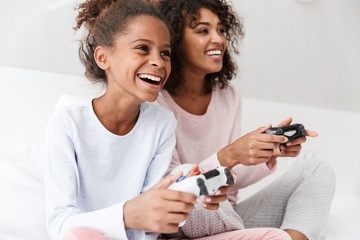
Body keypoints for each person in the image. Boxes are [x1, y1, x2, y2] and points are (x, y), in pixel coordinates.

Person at [155, 0, 336, 239]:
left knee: (316, 168)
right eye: (203, 30)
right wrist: (230, 155)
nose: (218, 39)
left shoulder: (228, 96)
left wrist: (265, 153)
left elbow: (233, 180)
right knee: (191, 177)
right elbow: (175, 184)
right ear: (174, 39)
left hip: (227, 215)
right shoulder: (156, 99)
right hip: (187, 217)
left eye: (220, 30)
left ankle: (291, 238)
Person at [44, 0, 199, 239]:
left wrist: (187, 195)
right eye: (142, 48)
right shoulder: (67, 123)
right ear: (103, 58)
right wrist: (127, 214)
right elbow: (61, 225)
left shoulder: (163, 123)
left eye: (165, 53)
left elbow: (151, 226)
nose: (158, 62)